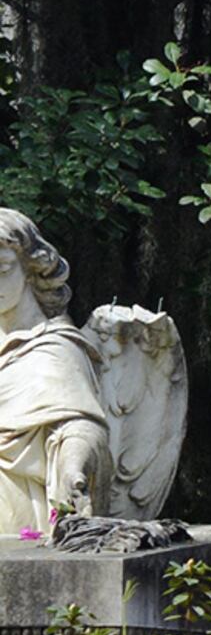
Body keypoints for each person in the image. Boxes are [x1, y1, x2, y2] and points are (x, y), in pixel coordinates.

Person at [0, 213, 111, 539]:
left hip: (21, 517)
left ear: (31, 269)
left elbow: (81, 424)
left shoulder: (55, 348)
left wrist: (74, 468)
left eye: (2, 269)